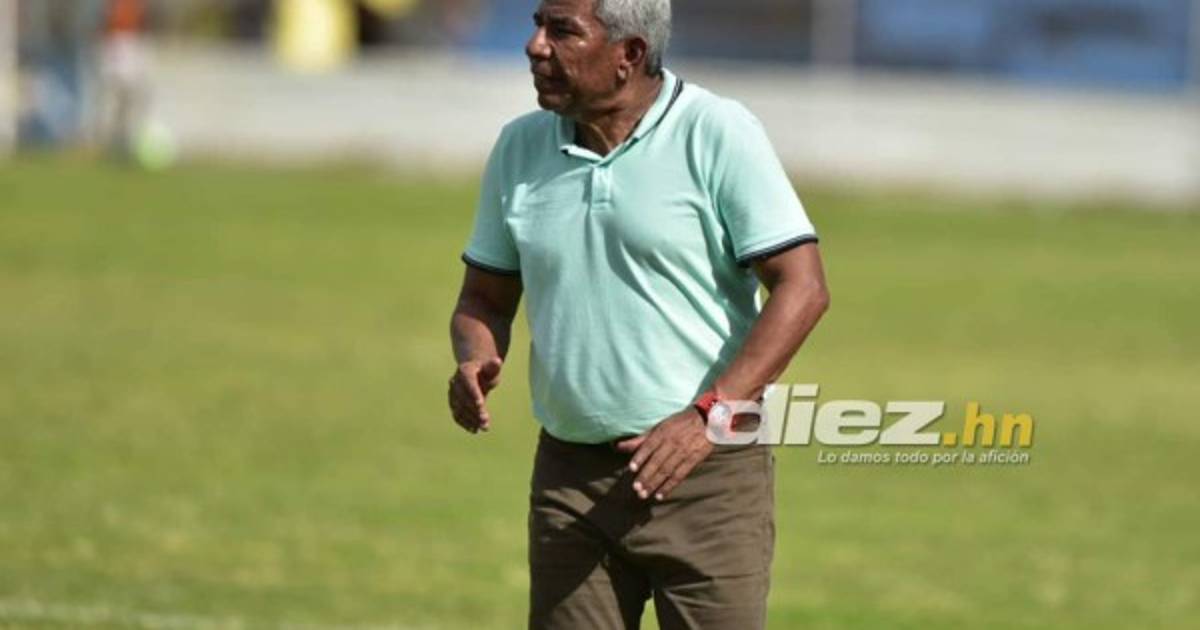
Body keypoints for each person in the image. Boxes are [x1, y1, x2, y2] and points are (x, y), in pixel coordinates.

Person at [447, 0, 830, 627]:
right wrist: (475, 356)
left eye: (562, 31)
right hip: (570, 484)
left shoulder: (716, 131)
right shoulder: (519, 146)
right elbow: (483, 299)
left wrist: (708, 417)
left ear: (629, 54)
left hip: (708, 478)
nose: (535, 45)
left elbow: (803, 288)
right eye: (537, 24)